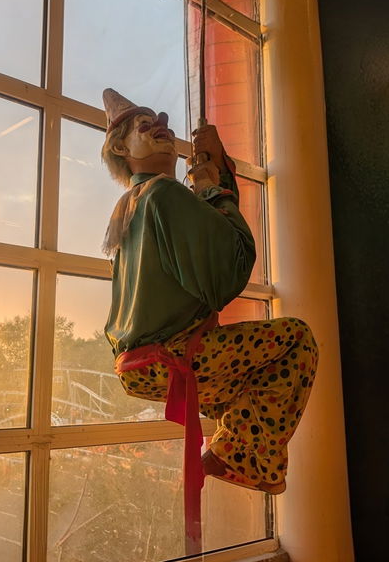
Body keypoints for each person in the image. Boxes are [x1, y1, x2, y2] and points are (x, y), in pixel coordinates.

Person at [100, 88, 317, 495]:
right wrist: (210, 185)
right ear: (120, 148)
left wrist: (211, 178)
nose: (162, 125)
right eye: (145, 125)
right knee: (295, 341)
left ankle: (249, 458)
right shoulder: (163, 193)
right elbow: (228, 270)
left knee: (250, 383)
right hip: (174, 354)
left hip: (137, 366)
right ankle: (236, 454)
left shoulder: (127, 207)